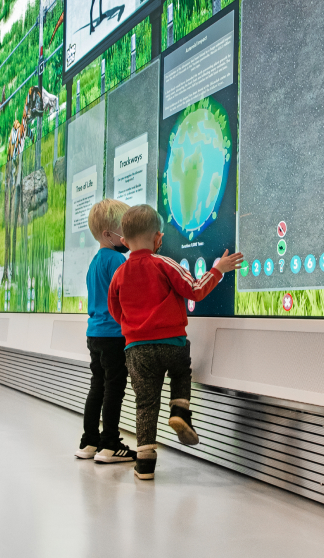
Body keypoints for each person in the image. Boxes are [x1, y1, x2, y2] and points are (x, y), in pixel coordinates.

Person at [108, 204, 243, 480]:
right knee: (181, 369)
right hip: (172, 343)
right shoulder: (164, 263)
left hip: (136, 350)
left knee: (146, 404)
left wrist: (132, 328)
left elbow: (114, 308)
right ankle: (180, 409)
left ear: (124, 241)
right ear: (159, 238)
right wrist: (218, 269)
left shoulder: (119, 274)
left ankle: (145, 465)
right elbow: (194, 291)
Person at [75, 199, 136, 464]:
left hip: (95, 334)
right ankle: (110, 443)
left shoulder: (94, 264)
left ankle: (89, 441)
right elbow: (128, 296)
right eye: (122, 231)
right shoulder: (118, 261)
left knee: (97, 386)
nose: (126, 236)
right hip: (114, 335)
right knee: (115, 388)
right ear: (107, 235)